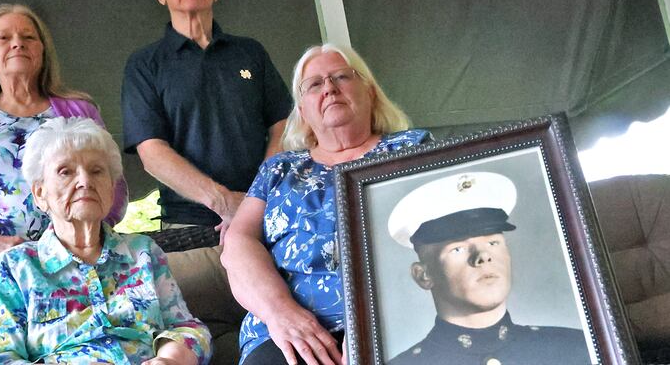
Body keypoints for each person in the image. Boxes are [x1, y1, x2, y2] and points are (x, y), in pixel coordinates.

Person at [221, 44, 430, 364]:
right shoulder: (280, 168)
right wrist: (282, 312)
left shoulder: (412, 149)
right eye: (314, 84)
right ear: (302, 110)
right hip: (283, 331)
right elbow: (238, 242)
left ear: (370, 92)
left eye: (342, 77)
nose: (329, 88)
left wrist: (372, 322)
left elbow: (442, 232)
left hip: (397, 313)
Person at [0, 117, 211, 364]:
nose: (85, 181)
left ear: (111, 188)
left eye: (97, 171)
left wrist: (170, 359)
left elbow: (188, 328)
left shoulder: (143, 253)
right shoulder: (14, 268)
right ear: (40, 194)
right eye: (66, 171)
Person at [0, 3, 127, 263]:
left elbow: (114, 185)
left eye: (28, 36)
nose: (18, 43)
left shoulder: (81, 111)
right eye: (4, 38)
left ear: (42, 50)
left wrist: (83, 236)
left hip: (76, 260)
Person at [121, 0, 292, 240]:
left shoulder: (250, 52)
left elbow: (283, 125)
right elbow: (152, 153)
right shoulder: (144, 65)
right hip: (189, 227)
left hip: (267, 214)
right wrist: (225, 203)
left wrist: (256, 199)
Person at [387, 172, 590, 365]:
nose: (483, 256)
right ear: (423, 275)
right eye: (458, 249)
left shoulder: (576, 348)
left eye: (493, 243)